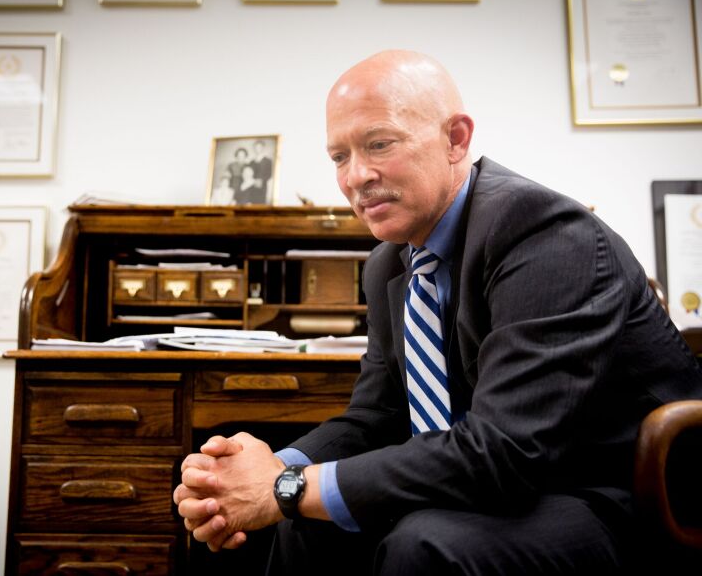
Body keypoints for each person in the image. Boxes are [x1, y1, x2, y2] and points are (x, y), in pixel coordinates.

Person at [173, 50, 702, 575]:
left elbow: (506, 451)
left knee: (424, 542)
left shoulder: (546, 234)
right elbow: (377, 417)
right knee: (308, 524)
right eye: (339, 157)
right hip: (496, 485)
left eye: (379, 144)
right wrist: (266, 471)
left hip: (612, 497)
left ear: (456, 139)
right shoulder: (388, 264)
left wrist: (284, 489)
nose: (356, 176)